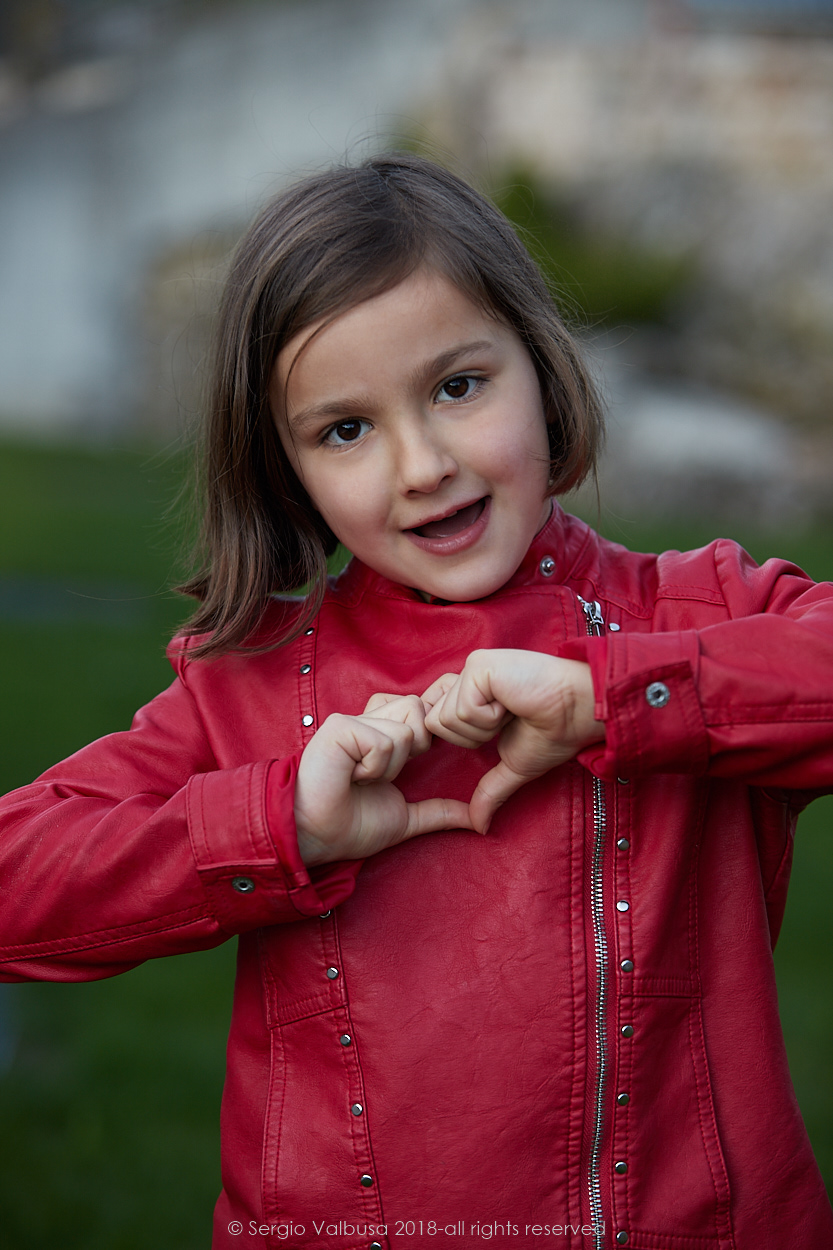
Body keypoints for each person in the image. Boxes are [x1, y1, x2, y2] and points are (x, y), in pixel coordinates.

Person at [0, 153, 831, 1250]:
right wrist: (280, 824)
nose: (422, 464)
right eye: (344, 429)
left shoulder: (696, 612)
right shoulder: (252, 684)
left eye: (456, 386)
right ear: (285, 470)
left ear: (540, 365)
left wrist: (618, 698)